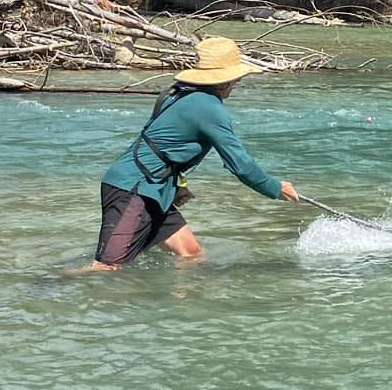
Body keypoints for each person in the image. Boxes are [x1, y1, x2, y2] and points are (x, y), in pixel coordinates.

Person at [92, 35, 301, 269]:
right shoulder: (209, 108)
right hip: (133, 189)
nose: (238, 81)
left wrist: (177, 186)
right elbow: (240, 165)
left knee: (191, 254)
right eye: (236, 78)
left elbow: (163, 146)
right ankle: (56, 284)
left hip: (155, 189)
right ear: (226, 79)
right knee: (106, 269)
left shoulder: (178, 94)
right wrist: (276, 188)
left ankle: (181, 294)